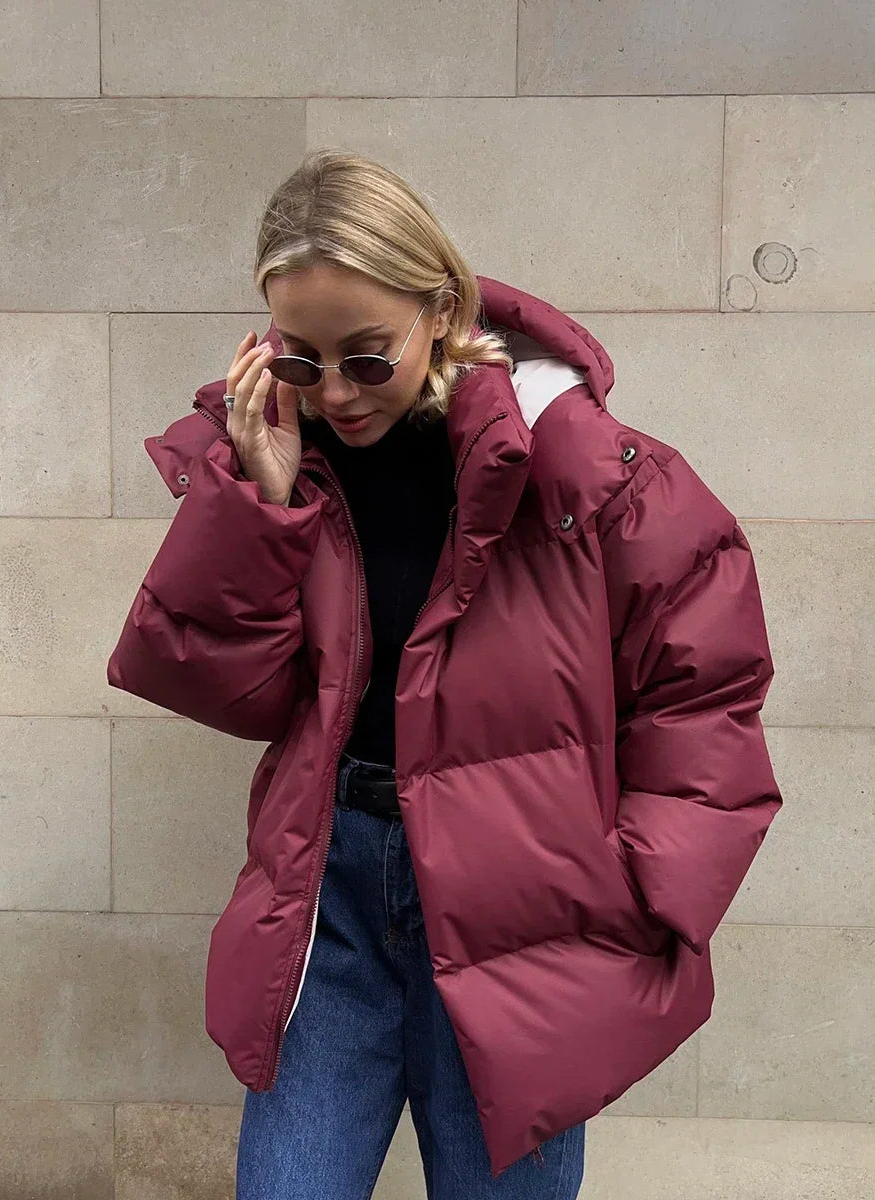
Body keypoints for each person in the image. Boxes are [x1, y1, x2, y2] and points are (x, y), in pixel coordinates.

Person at [106, 149, 783, 1198]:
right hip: (333, 900)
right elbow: (224, 689)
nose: (335, 393)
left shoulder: (585, 472)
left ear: (442, 308)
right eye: (301, 359)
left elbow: (706, 694)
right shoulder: (282, 460)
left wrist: (637, 895)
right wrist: (262, 510)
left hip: (528, 914)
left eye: (368, 358)